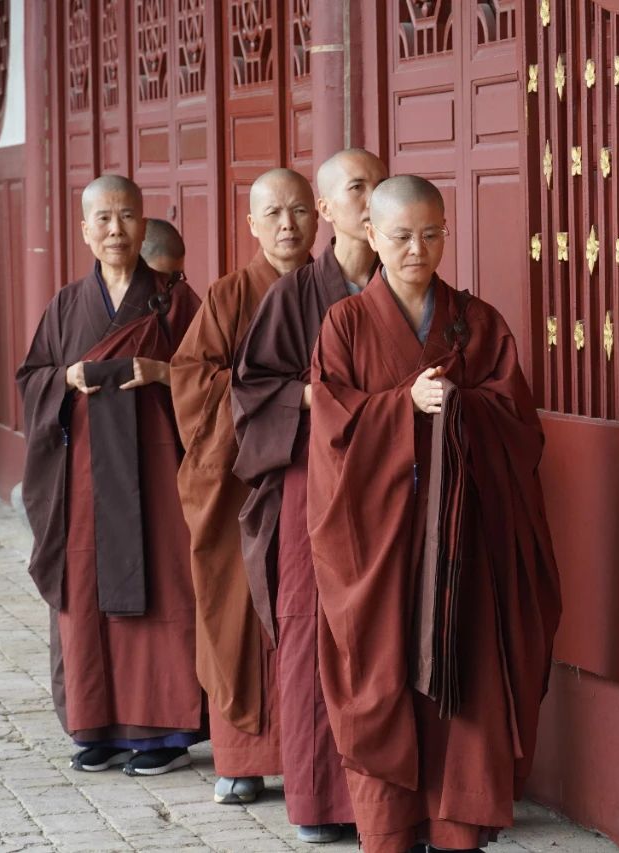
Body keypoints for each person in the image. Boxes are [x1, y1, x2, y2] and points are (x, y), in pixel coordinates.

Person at [306, 175, 562, 853]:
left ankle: (455, 827)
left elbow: (517, 422)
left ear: (447, 232)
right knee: (382, 675)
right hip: (383, 545)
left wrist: (461, 405)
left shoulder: (477, 321)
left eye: (431, 234)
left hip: (462, 544)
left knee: (466, 676)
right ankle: (391, 828)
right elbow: (330, 426)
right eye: (400, 236)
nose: (417, 249)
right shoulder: (347, 324)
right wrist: (400, 406)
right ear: (368, 235)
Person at [16, 174, 204, 777]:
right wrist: (64, 379)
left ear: (143, 224)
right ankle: (96, 724)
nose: (116, 229)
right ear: (85, 231)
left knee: (167, 591)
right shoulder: (68, 304)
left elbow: (213, 377)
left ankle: (164, 733)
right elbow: (31, 378)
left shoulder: (176, 303)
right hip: (86, 479)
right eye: (103, 219)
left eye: (127, 217)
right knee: (86, 593)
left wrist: (163, 371)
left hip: (157, 474)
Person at [230, 148, 388, 843]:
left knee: (385, 633)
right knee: (310, 628)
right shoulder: (293, 297)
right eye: (357, 187)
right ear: (327, 209)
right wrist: (333, 400)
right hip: (310, 483)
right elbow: (253, 390)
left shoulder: (405, 285)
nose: (371, 196)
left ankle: (387, 798)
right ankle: (322, 800)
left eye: (380, 184)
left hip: (390, 481)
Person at [170, 168, 318, 805]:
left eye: (299, 211)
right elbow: (192, 380)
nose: (288, 225)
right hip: (241, 483)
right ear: (252, 225)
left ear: (320, 217)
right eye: (273, 214)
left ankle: (315, 761)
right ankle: (241, 759)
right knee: (234, 610)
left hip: (319, 475)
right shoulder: (230, 295)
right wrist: (273, 402)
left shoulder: (336, 290)